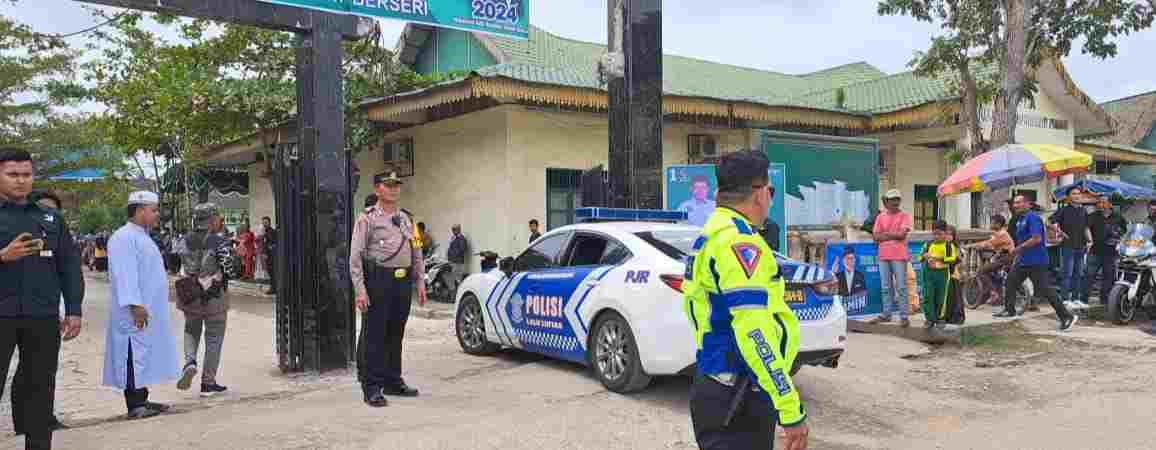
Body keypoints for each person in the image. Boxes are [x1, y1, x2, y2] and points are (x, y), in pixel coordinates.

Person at [683, 150, 808, 450]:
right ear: (759, 194)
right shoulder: (739, 243)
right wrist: (790, 409)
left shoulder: (712, 234)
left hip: (722, 388)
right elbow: (754, 333)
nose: (770, 198)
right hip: (739, 396)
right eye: (771, 191)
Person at [0, 149, 84, 450]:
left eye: (26, 174)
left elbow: (69, 266)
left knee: (40, 390)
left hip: (42, 316)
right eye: (13, 174)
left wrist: (74, 309)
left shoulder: (50, 217)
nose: (21, 181)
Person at [350, 172, 427, 407]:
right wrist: (360, 290)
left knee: (396, 333)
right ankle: (371, 386)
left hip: (402, 283)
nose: (394, 189)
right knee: (375, 335)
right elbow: (355, 256)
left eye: (396, 185)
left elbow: (417, 251)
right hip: (378, 281)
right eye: (388, 185)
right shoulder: (367, 219)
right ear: (377, 189)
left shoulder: (407, 219)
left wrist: (420, 282)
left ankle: (393, 380)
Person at [102, 191, 177, 421]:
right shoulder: (124, 237)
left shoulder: (142, 236)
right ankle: (134, 403)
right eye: (153, 210)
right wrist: (135, 304)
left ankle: (142, 397)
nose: (157, 215)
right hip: (134, 310)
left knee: (143, 353)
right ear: (138, 210)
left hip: (147, 308)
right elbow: (125, 275)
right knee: (133, 352)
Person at [13, 190, 69, 434]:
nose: (49, 214)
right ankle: (21, 421)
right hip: (8, 313)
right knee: (21, 372)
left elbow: (65, 271)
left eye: (54, 211)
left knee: (40, 372)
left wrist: (69, 311)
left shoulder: (55, 236)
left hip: (43, 313)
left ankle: (41, 419)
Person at [175, 204, 233, 397]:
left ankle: (190, 361)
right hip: (214, 298)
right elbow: (230, 270)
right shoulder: (219, 241)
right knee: (214, 338)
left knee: (191, 330)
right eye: (217, 217)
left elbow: (173, 262)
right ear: (211, 219)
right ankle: (208, 383)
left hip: (190, 296)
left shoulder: (184, 240)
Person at [997, 195, 1078, 331]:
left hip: (1036, 261)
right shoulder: (1020, 220)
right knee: (1010, 281)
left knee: (1046, 289)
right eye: (1014, 203)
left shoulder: (1033, 218)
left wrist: (1019, 248)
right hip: (1023, 260)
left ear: (1027, 204)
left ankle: (1066, 316)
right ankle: (1009, 309)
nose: (1015, 205)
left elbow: (1037, 238)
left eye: (1019, 203)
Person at [869, 189, 913, 327]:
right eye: (892, 199)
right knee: (886, 287)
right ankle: (886, 314)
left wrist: (885, 235)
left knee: (901, 286)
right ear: (886, 202)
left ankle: (904, 316)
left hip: (899, 255)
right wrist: (892, 235)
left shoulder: (905, 216)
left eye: (897, 199)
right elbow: (875, 236)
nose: (895, 202)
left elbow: (902, 235)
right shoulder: (880, 217)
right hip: (883, 255)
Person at [1050, 187, 1093, 308]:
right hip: (1067, 246)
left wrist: (1090, 241)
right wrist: (1059, 231)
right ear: (1069, 197)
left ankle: (1075, 299)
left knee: (1079, 273)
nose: (1077, 196)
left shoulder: (1083, 211)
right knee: (1067, 273)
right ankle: (1065, 299)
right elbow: (1050, 221)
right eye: (1073, 194)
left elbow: (1086, 228)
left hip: (1081, 246)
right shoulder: (1064, 210)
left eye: (1078, 194)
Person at [965, 215, 1015, 306]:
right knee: (994, 276)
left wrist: (971, 245)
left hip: (1004, 258)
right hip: (1004, 258)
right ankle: (997, 298)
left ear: (998, 224)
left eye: (992, 222)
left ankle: (993, 293)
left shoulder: (1002, 234)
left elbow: (987, 243)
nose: (990, 224)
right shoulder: (998, 234)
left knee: (981, 271)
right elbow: (992, 244)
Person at [1085, 198, 1126, 305]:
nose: (1101, 204)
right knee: (1089, 277)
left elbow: (1125, 233)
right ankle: (1083, 300)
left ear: (1110, 204)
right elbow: (1086, 228)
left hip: (1111, 253)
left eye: (1104, 202)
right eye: (1099, 202)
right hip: (1095, 252)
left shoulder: (1119, 217)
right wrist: (1090, 240)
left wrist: (1120, 240)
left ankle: (1104, 301)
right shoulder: (1093, 216)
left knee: (1109, 278)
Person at [919, 221, 958, 329]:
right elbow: (919, 257)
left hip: (942, 274)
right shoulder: (928, 244)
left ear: (945, 233)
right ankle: (929, 319)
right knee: (928, 295)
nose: (937, 236)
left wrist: (938, 259)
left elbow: (952, 259)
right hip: (928, 273)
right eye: (934, 234)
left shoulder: (948, 246)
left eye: (939, 234)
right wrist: (924, 256)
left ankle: (940, 318)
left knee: (941, 297)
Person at [447, 224, 470, 293]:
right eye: (452, 229)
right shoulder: (453, 238)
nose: (453, 231)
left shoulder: (462, 239)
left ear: (459, 230)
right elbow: (451, 248)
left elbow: (462, 250)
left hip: (458, 261)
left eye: (454, 229)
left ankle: (458, 293)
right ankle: (455, 293)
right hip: (453, 261)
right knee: (453, 277)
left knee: (458, 278)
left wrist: (453, 254)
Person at [260, 216, 277, 295]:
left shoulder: (272, 231)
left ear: (269, 222)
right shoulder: (264, 232)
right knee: (270, 272)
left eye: (265, 222)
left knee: (272, 272)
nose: (264, 224)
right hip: (267, 255)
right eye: (263, 222)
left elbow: (272, 244)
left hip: (271, 256)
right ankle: (273, 287)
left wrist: (268, 251)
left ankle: (274, 288)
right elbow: (264, 243)